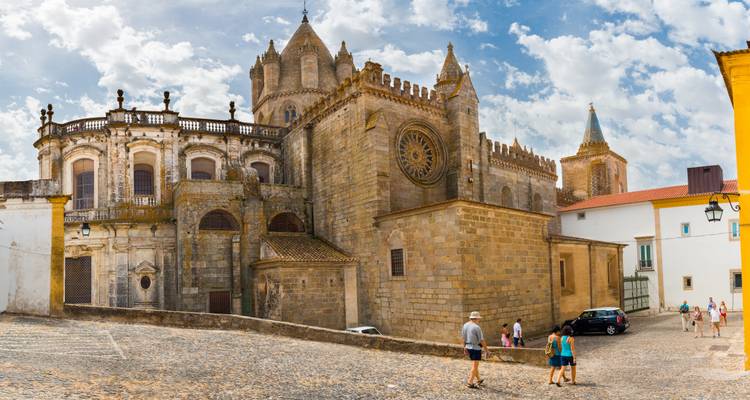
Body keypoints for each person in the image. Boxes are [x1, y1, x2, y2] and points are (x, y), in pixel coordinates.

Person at [461, 311, 488, 389]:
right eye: (479, 319)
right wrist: (487, 350)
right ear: (476, 318)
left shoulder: (465, 325)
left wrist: (464, 347)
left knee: (474, 365)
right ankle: (470, 382)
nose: (479, 320)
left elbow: (463, 338)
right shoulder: (476, 327)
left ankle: (479, 379)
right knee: (475, 366)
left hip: (468, 347)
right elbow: (482, 340)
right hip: (475, 348)